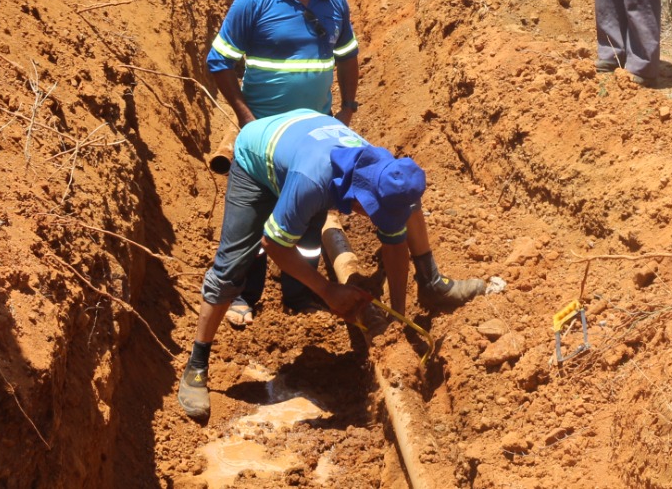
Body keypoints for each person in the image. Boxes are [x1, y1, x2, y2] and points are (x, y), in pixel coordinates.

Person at [177, 108, 485, 419]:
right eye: (375, 213)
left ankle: (426, 283)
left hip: (304, 138)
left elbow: (394, 247)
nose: (378, 221)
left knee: (326, 235)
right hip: (258, 154)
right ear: (360, 198)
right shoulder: (312, 181)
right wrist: (327, 290)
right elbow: (272, 244)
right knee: (232, 265)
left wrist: (398, 323)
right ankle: (197, 365)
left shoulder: (385, 176)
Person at [207, 0, 360, 323]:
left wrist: (348, 108)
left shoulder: (335, 1)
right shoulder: (253, 4)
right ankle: (243, 295)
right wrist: (245, 116)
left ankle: (300, 292)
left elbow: (346, 55)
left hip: (313, 135)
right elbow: (218, 61)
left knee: (308, 219)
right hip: (263, 137)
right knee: (257, 216)